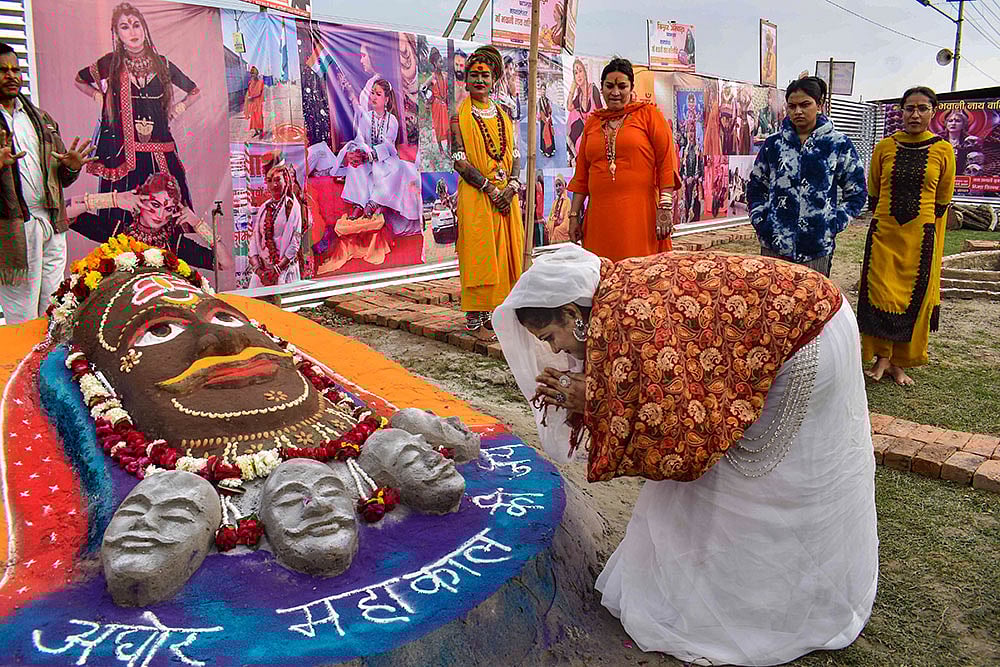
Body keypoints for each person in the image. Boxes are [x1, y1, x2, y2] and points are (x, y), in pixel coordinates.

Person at [492, 244, 878, 667]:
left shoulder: (629, 316)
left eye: (550, 337)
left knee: (762, 474)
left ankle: (769, 610)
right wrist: (599, 391)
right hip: (799, 319)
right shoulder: (609, 302)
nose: (554, 350)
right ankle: (749, 594)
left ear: (571, 314)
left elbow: (683, 438)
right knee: (738, 477)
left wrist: (598, 400)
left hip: (807, 340)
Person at [73, 2, 199, 235]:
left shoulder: (163, 63)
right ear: (117, 34)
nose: (132, 32)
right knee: (123, 223)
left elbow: (194, 90)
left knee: (166, 217)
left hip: (159, 153)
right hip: (124, 155)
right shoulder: (110, 63)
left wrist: (180, 107)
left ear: (144, 29)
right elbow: (79, 79)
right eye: (124, 27)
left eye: (136, 25)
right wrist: (97, 97)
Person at [860, 86, 956, 386]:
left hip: (920, 238)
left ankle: (899, 362)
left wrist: (920, 224)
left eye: (922, 108)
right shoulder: (885, 147)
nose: (915, 114)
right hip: (884, 237)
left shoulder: (943, 150)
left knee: (912, 299)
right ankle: (881, 358)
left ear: (933, 112)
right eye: (909, 108)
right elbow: (874, 191)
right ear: (901, 111)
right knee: (879, 294)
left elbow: (943, 199)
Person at [0, 42, 95, 325]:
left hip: (52, 222)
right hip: (14, 226)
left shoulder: (40, 118)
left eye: (15, 69)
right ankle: (21, 367)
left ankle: (46, 365)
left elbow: (60, 173)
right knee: (22, 313)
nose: (11, 75)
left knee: (54, 305)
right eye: (3, 70)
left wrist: (72, 168)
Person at [747, 76, 867, 277]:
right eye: (792, 106)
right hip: (774, 245)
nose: (798, 111)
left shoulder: (837, 144)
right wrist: (761, 221)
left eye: (805, 104)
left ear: (820, 105)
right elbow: (756, 187)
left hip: (817, 248)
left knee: (812, 305)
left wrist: (833, 223)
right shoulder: (773, 144)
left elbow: (857, 192)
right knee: (773, 303)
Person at [567, 58, 678, 262]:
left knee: (640, 275)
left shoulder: (649, 115)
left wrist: (665, 207)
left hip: (639, 214)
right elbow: (581, 175)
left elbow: (666, 162)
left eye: (622, 86)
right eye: (609, 86)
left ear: (631, 88)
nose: (615, 92)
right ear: (601, 88)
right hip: (600, 217)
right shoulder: (593, 122)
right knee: (602, 275)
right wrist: (574, 217)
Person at [450, 45, 523, 340]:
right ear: (465, 81)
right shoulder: (459, 117)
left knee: (505, 253)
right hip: (477, 193)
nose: (480, 80)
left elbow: (515, 153)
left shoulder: (503, 115)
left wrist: (512, 186)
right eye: (474, 75)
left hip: (506, 195)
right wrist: (490, 188)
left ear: (494, 80)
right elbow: (458, 160)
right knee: (480, 253)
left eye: (486, 75)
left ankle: (495, 314)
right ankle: (474, 321)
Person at [65, 172, 230, 271]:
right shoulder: (118, 232)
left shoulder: (174, 243)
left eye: (169, 209)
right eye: (155, 204)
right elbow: (65, 213)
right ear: (140, 200)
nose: (160, 214)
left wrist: (197, 224)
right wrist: (113, 199)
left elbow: (224, 263)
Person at [326, 78, 419, 222]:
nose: (373, 97)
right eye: (373, 93)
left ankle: (374, 202)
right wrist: (358, 152)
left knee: (397, 168)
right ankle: (359, 204)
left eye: (378, 94)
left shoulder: (391, 120)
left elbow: (388, 145)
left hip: (385, 160)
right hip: (367, 159)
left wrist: (371, 155)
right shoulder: (366, 117)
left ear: (387, 99)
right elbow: (360, 139)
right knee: (356, 166)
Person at [248, 161, 303, 287]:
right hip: (263, 271)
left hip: (284, 270)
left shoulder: (292, 207)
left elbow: (295, 241)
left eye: (278, 180)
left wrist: (278, 269)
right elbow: (255, 239)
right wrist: (258, 269)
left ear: (286, 181)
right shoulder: (264, 207)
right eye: (269, 180)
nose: (274, 184)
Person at [567, 58, 602, 165]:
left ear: (585, 73)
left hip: (595, 132)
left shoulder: (593, 89)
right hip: (585, 132)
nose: (578, 75)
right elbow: (569, 107)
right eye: (575, 73)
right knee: (572, 115)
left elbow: (601, 113)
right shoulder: (579, 95)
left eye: (580, 71)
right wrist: (572, 88)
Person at [423, 49, 450, 155]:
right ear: (435, 63)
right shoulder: (432, 78)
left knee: (446, 127)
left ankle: (448, 147)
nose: (442, 64)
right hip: (436, 105)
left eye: (442, 61)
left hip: (444, 104)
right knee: (438, 127)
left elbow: (447, 90)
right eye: (440, 62)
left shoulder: (444, 75)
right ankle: (441, 149)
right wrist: (429, 99)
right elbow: (422, 89)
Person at [941, 108, 979, 175]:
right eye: (950, 121)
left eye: (957, 121)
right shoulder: (940, 141)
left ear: (963, 125)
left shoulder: (970, 142)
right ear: (946, 124)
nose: (953, 123)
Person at [547, 175, 571, 244]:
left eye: (559, 185)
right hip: (554, 230)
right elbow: (549, 219)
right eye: (556, 186)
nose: (558, 188)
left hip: (561, 232)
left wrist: (557, 227)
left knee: (557, 230)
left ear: (564, 186)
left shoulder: (567, 201)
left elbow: (567, 222)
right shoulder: (555, 202)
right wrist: (553, 223)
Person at [245, 66, 266, 139]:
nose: (252, 75)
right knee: (253, 117)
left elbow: (260, 93)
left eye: (253, 74)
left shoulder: (260, 82)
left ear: (256, 74)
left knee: (259, 117)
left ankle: (261, 132)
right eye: (251, 74)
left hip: (258, 102)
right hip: (252, 103)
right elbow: (249, 92)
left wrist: (252, 97)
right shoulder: (250, 83)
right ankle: (256, 131)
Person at [538, 81, 556, 158]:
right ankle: (545, 149)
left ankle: (551, 149)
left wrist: (549, 116)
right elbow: (539, 111)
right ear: (540, 90)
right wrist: (544, 118)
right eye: (542, 89)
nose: (543, 91)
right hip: (543, 120)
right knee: (544, 134)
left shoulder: (547, 100)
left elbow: (550, 109)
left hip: (548, 119)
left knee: (550, 133)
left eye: (544, 89)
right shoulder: (539, 101)